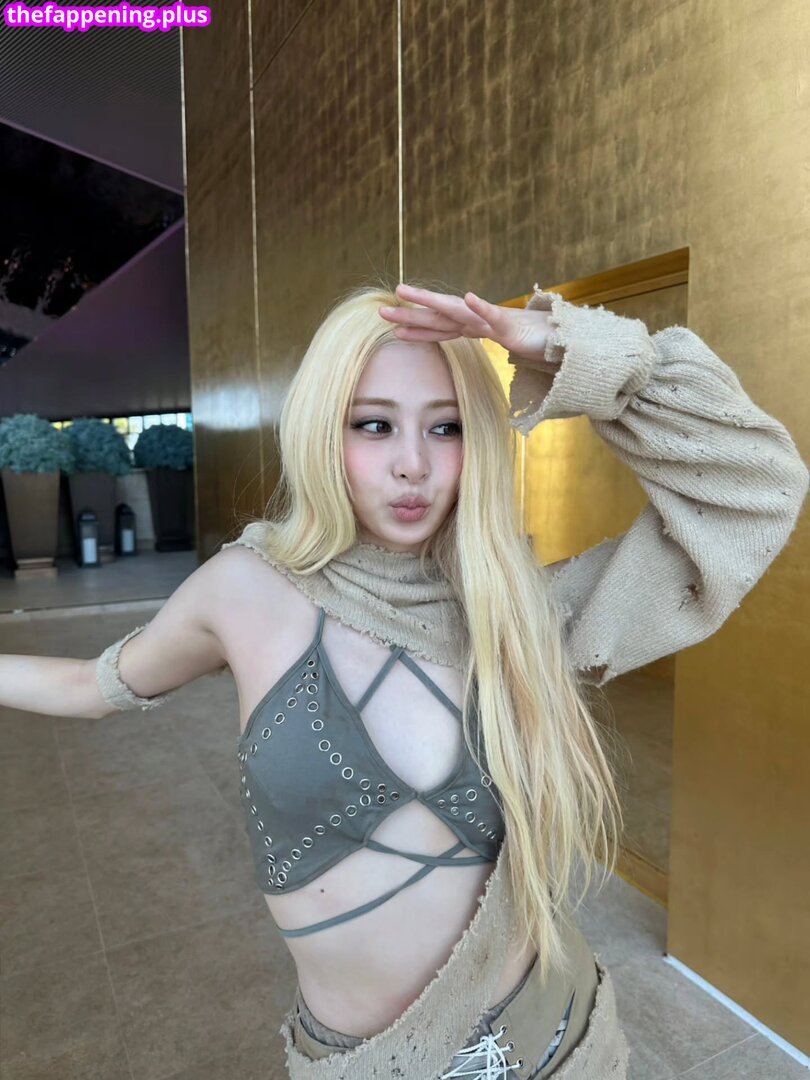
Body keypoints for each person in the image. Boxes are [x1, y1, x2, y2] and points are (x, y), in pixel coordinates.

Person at [3, 281, 807, 1079]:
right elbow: (90, 686)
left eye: (446, 426)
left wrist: (562, 347)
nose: (413, 465)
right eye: (374, 424)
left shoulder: (524, 613)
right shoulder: (244, 591)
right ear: (324, 430)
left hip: (554, 1045)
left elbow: (754, 492)